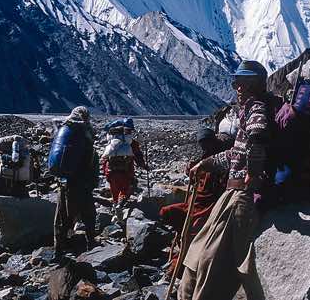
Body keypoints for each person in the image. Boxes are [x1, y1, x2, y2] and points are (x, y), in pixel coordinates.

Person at [178, 60, 271, 300]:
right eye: (236, 83)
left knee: (215, 261)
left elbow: (258, 135)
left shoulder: (256, 107)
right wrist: (205, 163)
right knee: (200, 253)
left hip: (241, 196)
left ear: (255, 85)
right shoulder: (246, 111)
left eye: (242, 83)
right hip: (232, 194)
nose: (237, 88)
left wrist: (254, 169)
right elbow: (234, 154)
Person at [160, 127, 227, 275]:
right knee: (167, 212)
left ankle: (181, 264)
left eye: (206, 143)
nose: (204, 147)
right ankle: (180, 247)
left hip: (208, 206)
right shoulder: (205, 157)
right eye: (202, 144)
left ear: (212, 141)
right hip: (194, 203)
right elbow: (196, 176)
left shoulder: (221, 160)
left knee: (193, 231)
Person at [53, 106, 99, 258]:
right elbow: (91, 161)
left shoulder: (65, 130)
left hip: (64, 182)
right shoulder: (85, 134)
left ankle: (58, 249)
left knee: (62, 217)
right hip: (81, 183)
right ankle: (91, 244)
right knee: (88, 215)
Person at [101, 118, 147, 206]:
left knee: (114, 191)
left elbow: (105, 158)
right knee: (126, 189)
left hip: (111, 172)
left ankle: (115, 207)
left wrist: (105, 171)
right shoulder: (131, 143)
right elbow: (138, 156)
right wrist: (144, 166)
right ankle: (120, 205)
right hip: (126, 171)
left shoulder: (111, 142)